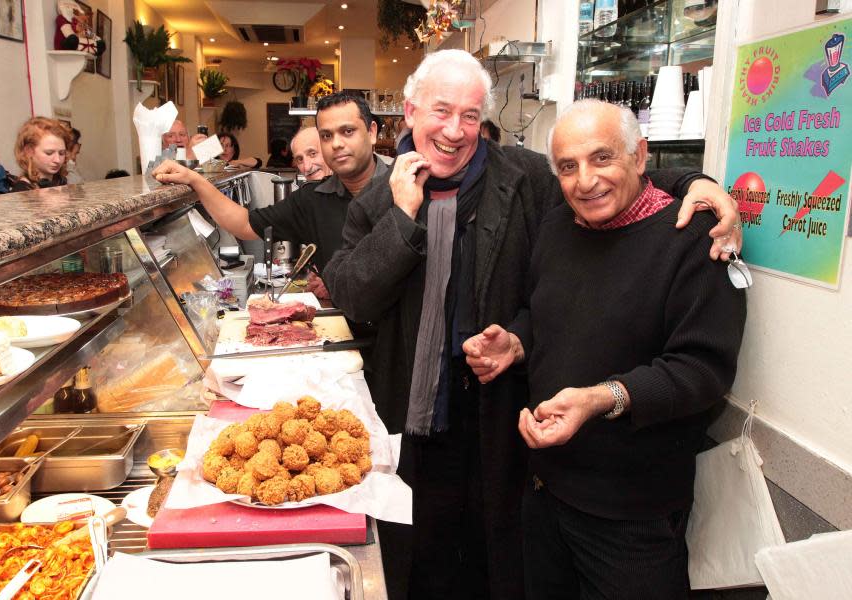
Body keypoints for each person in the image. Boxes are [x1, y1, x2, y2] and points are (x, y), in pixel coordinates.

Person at [323, 49, 744, 600]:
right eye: (440, 111)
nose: (454, 130)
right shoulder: (380, 198)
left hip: (505, 428)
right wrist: (402, 219)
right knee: (420, 568)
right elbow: (352, 296)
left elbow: (603, 177)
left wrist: (696, 180)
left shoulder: (525, 180)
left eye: (470, 115)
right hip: (414, 425)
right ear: (408, 112)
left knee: (495, 568)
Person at [467, 99, 746, 598]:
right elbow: (547, 313)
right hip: (545, 491)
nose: (585, 181)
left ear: (640, 156)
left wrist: (602, 398)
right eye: (568, 167)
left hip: (632, 515)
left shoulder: (694, 238)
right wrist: (516, 342)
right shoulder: (558, 226)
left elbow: (702, 369)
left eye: (602, 158)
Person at [152, 91, 392, 278]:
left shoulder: (405, 185)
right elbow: (245, 223)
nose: (337, 143)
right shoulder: (313, 198)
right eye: (327, 136)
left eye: (348, 131)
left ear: (371, 133)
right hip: (345, 328)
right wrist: (195, 180)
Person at [11, 117, 70, 191]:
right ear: (28, 151)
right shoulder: (21, 190)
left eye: (62, 153)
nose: (57, 160)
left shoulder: (61, 181)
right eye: (49, 153)